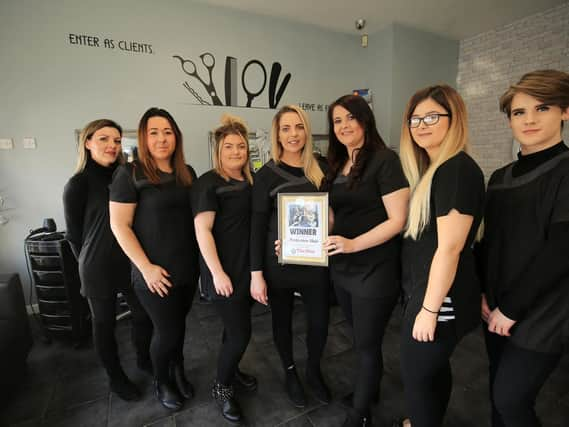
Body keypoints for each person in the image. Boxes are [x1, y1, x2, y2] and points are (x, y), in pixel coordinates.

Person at [478, 69, 569, 427]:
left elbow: (561, 249)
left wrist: (512, 309)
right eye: (519, 112)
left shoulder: (565, 171)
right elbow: (489, 241)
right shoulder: (500, 177)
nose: (529, 119)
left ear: (565, 111)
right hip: (496, 307)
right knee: (496, 391)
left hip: (542, 313)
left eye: (542, 108)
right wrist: (484, 295)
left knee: (511, 399)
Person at [396, 85, 485, 427]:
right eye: (415, 119)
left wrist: (428, 310)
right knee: (431, 372)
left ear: (454, 119)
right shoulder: (435, 170)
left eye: (432, 116)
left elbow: (450, 248)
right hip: (429, 294)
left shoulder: (456, 170)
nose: (421, 124)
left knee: (417, 378)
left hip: (437, 301)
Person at [323, 94, 409, 427]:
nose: (343, 126)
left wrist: (354, 244)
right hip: (342, 266)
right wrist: (299, 239)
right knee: (359, 338)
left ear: (365, 120)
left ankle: (360, 414)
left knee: (367, 343)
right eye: (337, 121)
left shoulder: (385, 160)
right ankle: (367, 390)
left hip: (375, 268)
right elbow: (332, 215)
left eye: (350, 118)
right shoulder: (336, 163)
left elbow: (397, 220)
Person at [109, 108, 199, 411]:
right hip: (153, 273)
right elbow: (119, 226)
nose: (162, 139)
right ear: (144, 138)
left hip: (187, 269)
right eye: (154, 132)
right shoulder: (130, 173)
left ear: (177, 137)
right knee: (167, 331)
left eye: (168, 132)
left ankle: (179, 370)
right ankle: (162, 380)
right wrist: (145, 268)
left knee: (179, 326)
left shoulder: (188, 173)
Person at [63, 119, 153, 401]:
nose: (112, 146)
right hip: (97, 265)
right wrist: (85, 266)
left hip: (130, 260)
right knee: (104, 325)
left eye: (116, 140)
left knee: (143, 315)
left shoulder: (126, 175)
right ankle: (116, 378)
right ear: (87, 143)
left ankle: (143, 359)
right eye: (104, 139)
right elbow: (74, 235)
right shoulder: (77, 184)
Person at [250, 105, 331, 408]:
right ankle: (290, 372)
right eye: (286, 128)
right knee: (281, 322)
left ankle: (313, 370)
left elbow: (332, 214)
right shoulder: (266, 175)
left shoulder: (321, 167)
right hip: (279, 265)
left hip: (315, 263)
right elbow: (257, 228)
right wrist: (256, 274)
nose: (293, 134)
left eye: (298, 127)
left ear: (306, 130)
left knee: (320, 323)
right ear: (277, 133)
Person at [193, 114, 257, 423]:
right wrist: (217, 273)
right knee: (241, 333)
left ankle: (232, 371)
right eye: (229, 146)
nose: (235, 152)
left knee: (234, 329)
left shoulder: (250, 180)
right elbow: (202, 231)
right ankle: (221, 388)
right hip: (223, 272)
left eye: (241, 146)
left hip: (247, 269)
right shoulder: (208, 183)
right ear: (219, 150)